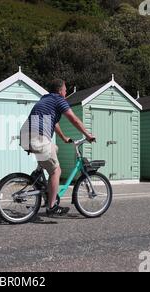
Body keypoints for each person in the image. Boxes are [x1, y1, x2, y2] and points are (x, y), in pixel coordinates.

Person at [20, 79, 95, 217]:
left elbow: (54, 123)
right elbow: (74, 119)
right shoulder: (59, 100)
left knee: (54, 148)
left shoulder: (46, 100)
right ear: (60, 91)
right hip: (38, 137)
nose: (66, 92)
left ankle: (38, 177)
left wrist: (64, 137)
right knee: (56, 171)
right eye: (65, 89)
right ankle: (52, 206)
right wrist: (88, 135)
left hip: (25, 136)